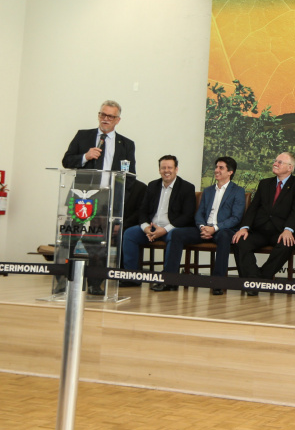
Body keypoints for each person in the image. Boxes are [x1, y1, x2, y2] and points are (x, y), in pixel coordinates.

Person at [59, 99, 137, 295]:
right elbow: (67, 160)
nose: (105, 119)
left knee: (97, 243)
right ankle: (62, 281)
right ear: (99, 115)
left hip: (105, 199)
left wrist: (119, 201)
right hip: (81, 197)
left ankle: (95, 284)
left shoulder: (126, 144)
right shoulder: (83, 136)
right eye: (103, 114)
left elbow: (130, 176)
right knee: (70, 238)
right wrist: (85, 156)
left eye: (110, 116)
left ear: (118, 120)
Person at [158, 157, 246, 295]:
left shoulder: (238, 191)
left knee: (224, 237)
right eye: (216, 167)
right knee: (176, 234)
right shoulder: (208, 190)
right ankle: (170, 280)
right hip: (204, 229)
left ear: (230, 172)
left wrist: (214, 228)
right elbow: (199, 213)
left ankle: (218, 282)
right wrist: (202, 227)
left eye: (221, 168)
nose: (216, 170)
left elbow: (236, 218)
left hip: (222, 230)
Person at [232, 152, 295, 295]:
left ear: (290, 167)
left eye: (280, 162)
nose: (275, 163)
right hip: (262, 230)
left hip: (285, 230)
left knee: (286, 242)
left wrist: (288, 229)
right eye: (275, 161)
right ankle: (254, 279)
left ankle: (259, 280)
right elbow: (253, 207)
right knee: (240, 241)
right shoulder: (265, 183)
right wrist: (244, 227)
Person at [120, 155, 196, 286]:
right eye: (163, 168)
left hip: (172, 229)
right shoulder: (152, 185)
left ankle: (168, 280)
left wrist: (164, 230)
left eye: (170, 167)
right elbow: (143, 210)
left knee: (174, 236)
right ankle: (131, 277)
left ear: (176, 169)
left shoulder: (187, 187)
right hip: (151, 228)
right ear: (159, 170)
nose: (166, 170)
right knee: (129, 234)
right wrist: (145, 228)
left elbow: (187, 216)